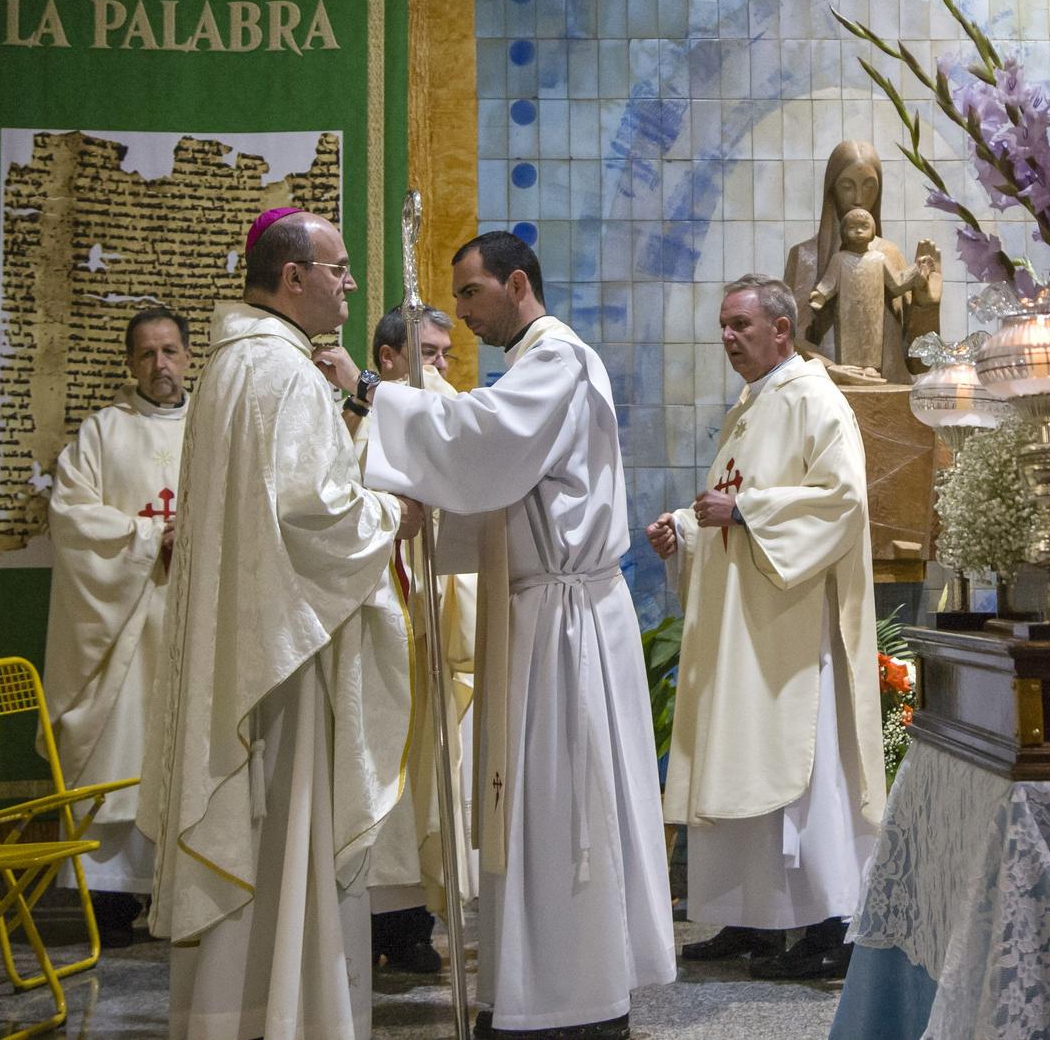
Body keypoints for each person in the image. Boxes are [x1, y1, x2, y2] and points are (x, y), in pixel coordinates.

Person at [317, 231, 675, 1040]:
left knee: (560, 811)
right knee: (534, 814)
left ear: (517, 284)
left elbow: (479, 441)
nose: (467, 315)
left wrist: (373, 388)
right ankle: (529, 991)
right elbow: (494, 478)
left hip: (563, 624)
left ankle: (570, 1001)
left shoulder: (558, 361)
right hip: (543, 614)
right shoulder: (539, 365)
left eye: (472, 296)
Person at [139, 208, 423, 1040]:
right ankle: (291, 1015)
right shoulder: (285, 374)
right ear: (292, 278)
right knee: (286, 829)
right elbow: (313, 513)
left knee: (256, 843)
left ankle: (233, 1008)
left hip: (257, 637)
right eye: (337, 268)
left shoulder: (234, 365)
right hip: (285, 659)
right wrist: (390, 512)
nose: (351, 284)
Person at [647, 275, 885, 981]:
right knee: (739, 761)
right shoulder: (756, 403)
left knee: (799, 774)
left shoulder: (814, 399)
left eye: (740, 326)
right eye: (722, 326)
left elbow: (842, 500)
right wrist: (687, 531)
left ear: (781, 330)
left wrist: (744, 514)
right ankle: (752, 917)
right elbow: (729, 504)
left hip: (791, 631)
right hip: (742, 628)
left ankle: (826, 924)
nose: (727, 338)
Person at [40, 306, 191, 940]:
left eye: (170, 351)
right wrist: (151, 535)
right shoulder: (102, 432)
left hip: (194, 617)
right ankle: (111, 900)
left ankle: (190, 894)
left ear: (189, 356)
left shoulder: (217, 426)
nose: (160, 365)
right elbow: (71, 516)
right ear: (131, 364)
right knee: (121, 749)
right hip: (124, 623)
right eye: (147, 354)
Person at [357, 303, 476, 976]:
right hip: (374, 631)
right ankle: (368, 922)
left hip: (431, 626)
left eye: (444, 355)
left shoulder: (442, 423)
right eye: (426, 353)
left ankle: (410, 926)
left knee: (428, 788)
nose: (439, 368)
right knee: (380, 784)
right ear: (387, 359)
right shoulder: (353, 428)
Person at [783, 140, 942, 385]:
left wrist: (926, 306)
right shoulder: (805, 256)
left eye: (870, 186)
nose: (859, 198)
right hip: (824, 395)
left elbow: (919, 361)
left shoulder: (889, 255)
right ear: (832, 189)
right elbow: (786, 343)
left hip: (889, 395)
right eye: (847, 186)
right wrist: (829, 368)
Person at [807, 207, 934, 376]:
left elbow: (897, 284)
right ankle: (850, 366)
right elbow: (829, 283)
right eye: (852, 227)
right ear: (844, 232)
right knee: (849, 337)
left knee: (872, 337)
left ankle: (871, 367)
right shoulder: (839, 259)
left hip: (873, 311)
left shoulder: (879, 258)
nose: (858, 231)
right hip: (847, 311)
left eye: (863, 226)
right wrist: (820, 295)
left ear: (872, 230)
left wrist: (916, 270)